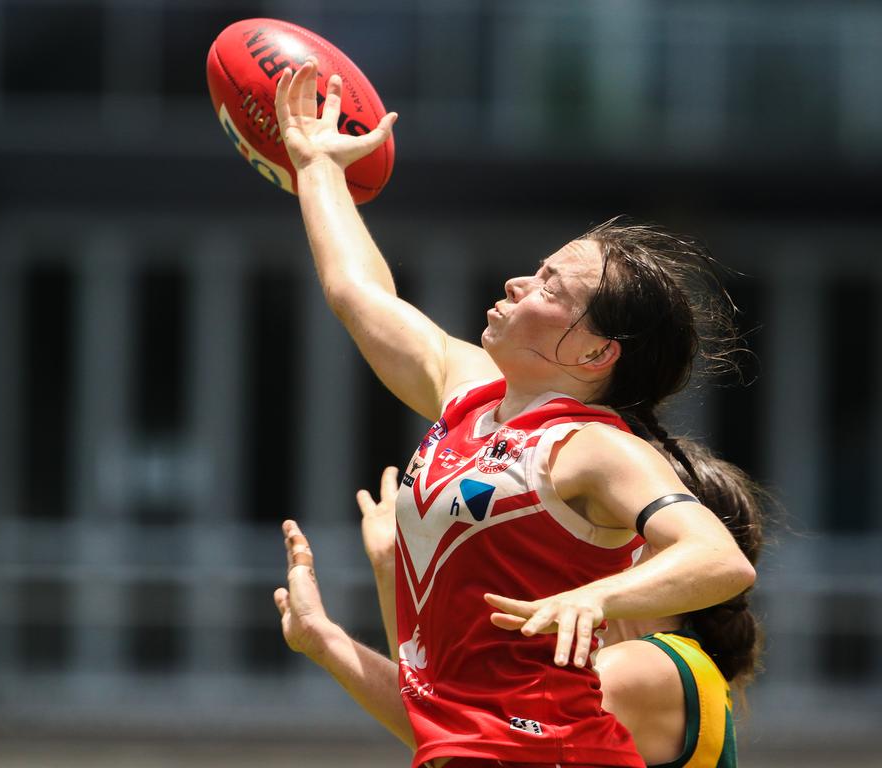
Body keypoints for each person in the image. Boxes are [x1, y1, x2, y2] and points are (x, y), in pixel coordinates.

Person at [273, 57, 756, 768]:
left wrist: (595, 598)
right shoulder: (467, 389)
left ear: (595, 351)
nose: (518, 281)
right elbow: (357, 291)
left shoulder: (593, 448)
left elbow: (719, 558)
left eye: (551, 285)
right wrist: (316, 166)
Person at [275, 436, 765, 768]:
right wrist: (387, 573)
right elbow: (449, 728)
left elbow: (459, 731)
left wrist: (328, 640)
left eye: (601, 510)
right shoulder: (663, 659)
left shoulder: (644, 666)